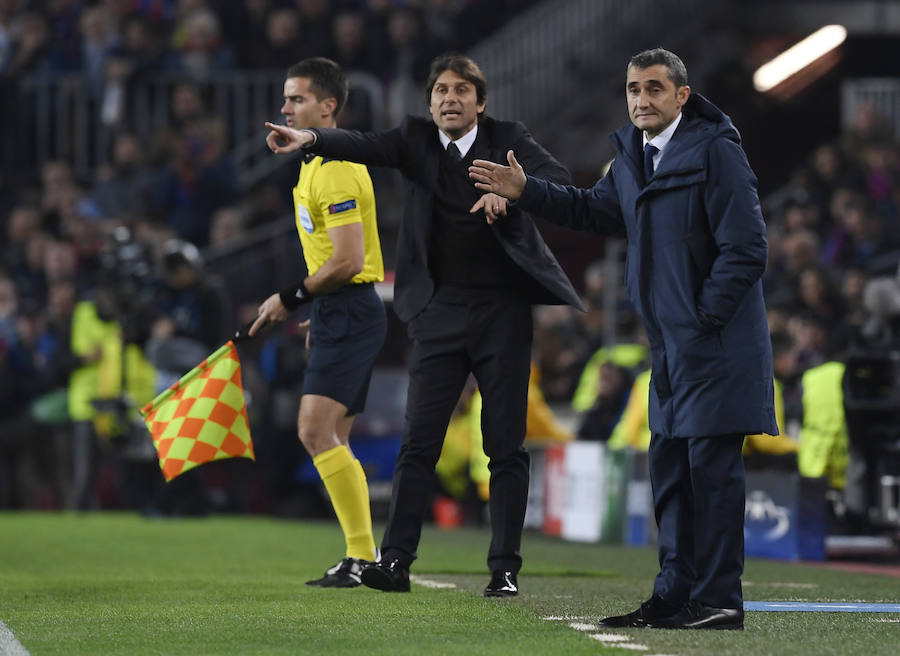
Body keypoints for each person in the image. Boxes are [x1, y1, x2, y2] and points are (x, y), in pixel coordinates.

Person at [469, 48, 776, 628]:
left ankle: (718, 600)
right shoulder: (633, 156)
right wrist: (526, 189)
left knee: (710, 475)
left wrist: (702, 318)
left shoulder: (717, 151)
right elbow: (593, 212)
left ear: (682, 96)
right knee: (669, 473)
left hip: (714, 346)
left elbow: (747, 248)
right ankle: (674, 594)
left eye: (655, 89)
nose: (641, 100)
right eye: (634, 90)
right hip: (668, 350)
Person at [264, 53, 583, 597]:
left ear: (480, 102)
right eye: (440, 90)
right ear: (430, 101)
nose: (449, 99)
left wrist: (515, 189)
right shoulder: (415, 141)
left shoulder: (508, 139)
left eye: (461, 90)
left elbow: (560, 181)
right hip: (437, 312)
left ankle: (504, 568)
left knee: (504, 444)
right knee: (419, 442)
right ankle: (395, 562)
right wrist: (311, 141)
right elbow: (365, 144)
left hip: (502, 311)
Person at [248, 57, 387, 588]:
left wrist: (292, 297)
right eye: (285, 98)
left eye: (297, 99)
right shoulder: (316, 161)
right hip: (340, 310)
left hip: (349, 306)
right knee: (332, 437)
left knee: (314, 430)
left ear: (328, 106)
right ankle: (361, 558)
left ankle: (362, 556)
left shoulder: (336, 169)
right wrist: (320, 308)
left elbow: (349, 259)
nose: (285, 108)